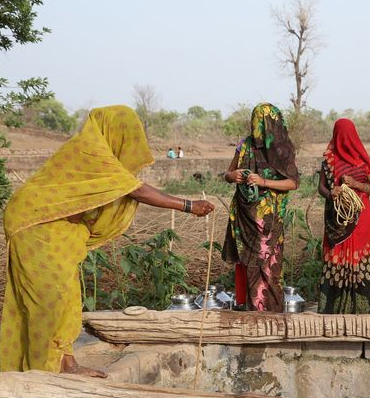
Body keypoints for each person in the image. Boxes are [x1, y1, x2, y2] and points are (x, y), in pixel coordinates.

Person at [0, 105, 214, 377]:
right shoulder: (90, 151)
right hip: (34, 226)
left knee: (67, 296)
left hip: (56, 226)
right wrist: (188, 204)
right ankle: (42, 374)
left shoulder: (99, 154)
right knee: (47, 301)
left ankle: (67, 364)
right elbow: (136, 190)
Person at [222, 103, 299, 312]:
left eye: (260, 122)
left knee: (269, 266)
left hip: (270, 221)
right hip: (246, 216)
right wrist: (234, 176)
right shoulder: (244, 144)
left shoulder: (283, 149)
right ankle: (252, 312)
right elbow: (228, 174)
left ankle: (270, 314)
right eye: (254, 121)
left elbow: (292, 183)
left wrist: (264, 182)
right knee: (249, 266)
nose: (255, 126)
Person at [317, 118, 370, 314]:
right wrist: (330, 193)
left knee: (359, 262)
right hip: (337, 222)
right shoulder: (328, 160)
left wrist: (356, 184)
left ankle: (361, 310)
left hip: (360, 222)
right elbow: (321, 187)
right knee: (336, 260)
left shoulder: (363, 161)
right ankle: (334, 310)